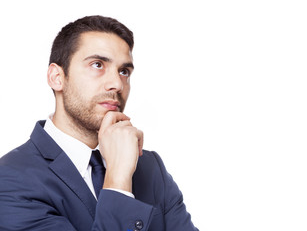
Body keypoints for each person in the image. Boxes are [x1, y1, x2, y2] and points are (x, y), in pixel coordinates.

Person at [0, 15, 198, 231]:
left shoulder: (150, 167)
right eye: (97, 65)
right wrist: (119, 177)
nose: (116, 84)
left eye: (124, 71)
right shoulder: (10, 178)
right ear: (57, 77)